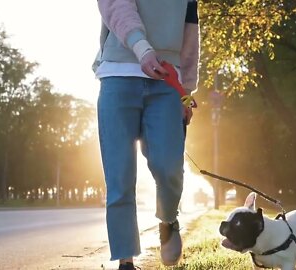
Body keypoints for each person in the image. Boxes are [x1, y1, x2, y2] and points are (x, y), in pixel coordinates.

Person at [93, 0, 199, 269]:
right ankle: (126, 261)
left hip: (167, 80)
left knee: (169, 166)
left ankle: (167, 220)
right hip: (118, 73)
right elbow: (116, 7)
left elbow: (190, 35)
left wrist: (186, 93)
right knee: (119, 177)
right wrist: (142, 49)